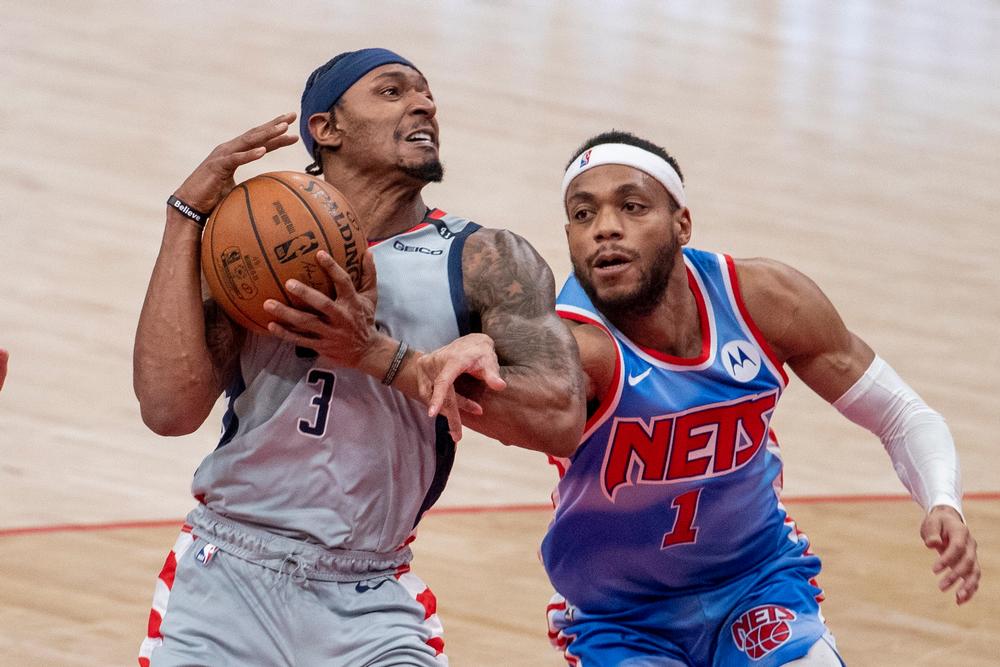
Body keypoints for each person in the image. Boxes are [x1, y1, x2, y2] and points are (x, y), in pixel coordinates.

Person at [132, 48, 584, 667]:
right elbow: (168, 409)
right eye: (392, 92)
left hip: (368, 593)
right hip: (227, 575)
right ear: (326, 129)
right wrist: (184, 218)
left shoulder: (486, 259)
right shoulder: (247, 240)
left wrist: (381, 355)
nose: (423, 103)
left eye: (426, 93)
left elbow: (560, 419)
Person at [536, 131, 980, 666]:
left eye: (631, 206)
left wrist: (941, 500)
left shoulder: (764, 301)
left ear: (682, 224)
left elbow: (902, 415)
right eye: (583, 215)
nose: (605, 227)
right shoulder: (567, 347)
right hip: (618, 616)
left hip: (756, 581)